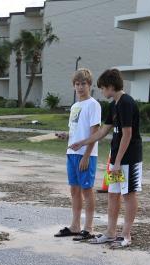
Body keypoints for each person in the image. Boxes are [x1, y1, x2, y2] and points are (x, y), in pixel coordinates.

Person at [71, 68, 142, 249]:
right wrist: (82, 142)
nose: (102, 91)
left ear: (110, 87)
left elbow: (127, 135)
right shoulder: (114, 105)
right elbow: (103, 131)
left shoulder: (126, 103)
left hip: (129, 159)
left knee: (128, 194)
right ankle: (110, 232)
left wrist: (118, 162)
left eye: (103, 88)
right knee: (113, 194)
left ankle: (126, 235)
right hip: (115, 159)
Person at [54, 68, 102, 240]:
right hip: (71, 153)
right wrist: (66, 136)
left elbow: (94, 133)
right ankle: (75, 226)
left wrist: (87, 156)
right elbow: (76, 130)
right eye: (77, 84)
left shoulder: (93, 105)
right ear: (73, 86)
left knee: (86, 190)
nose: (80, 87)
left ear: (89, 85)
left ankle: (88, 228)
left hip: (85, 154)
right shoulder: (75, 106)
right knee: (74, 190)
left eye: (83, 84)